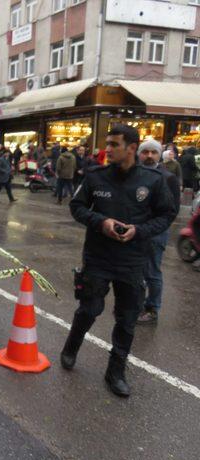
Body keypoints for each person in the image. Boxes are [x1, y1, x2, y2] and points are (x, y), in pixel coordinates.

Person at [61, 124, 176, 397]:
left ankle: (116, 371)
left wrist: (140, 231)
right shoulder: (95, 176)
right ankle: (71, 347)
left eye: (114, 144)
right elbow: (76, 207)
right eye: (107, 143)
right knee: (89, 309)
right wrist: (101, 222)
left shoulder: (153, 180)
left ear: (132, 148)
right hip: (98, 257)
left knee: (126, 319)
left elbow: (167, 214)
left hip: (133, 260)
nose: (107, 149)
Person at [136, 140, 180, 325]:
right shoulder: (134, 174)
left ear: (159, 154)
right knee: (135, 270)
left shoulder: (167, 177)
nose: (149, 156)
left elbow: (172, 209)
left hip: (155, 232)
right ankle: (136, 305)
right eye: (145, 152)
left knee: (152, 271)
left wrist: (156, 228)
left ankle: (152, 309)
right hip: (135, 230)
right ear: (139, 154)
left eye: (154, 152)